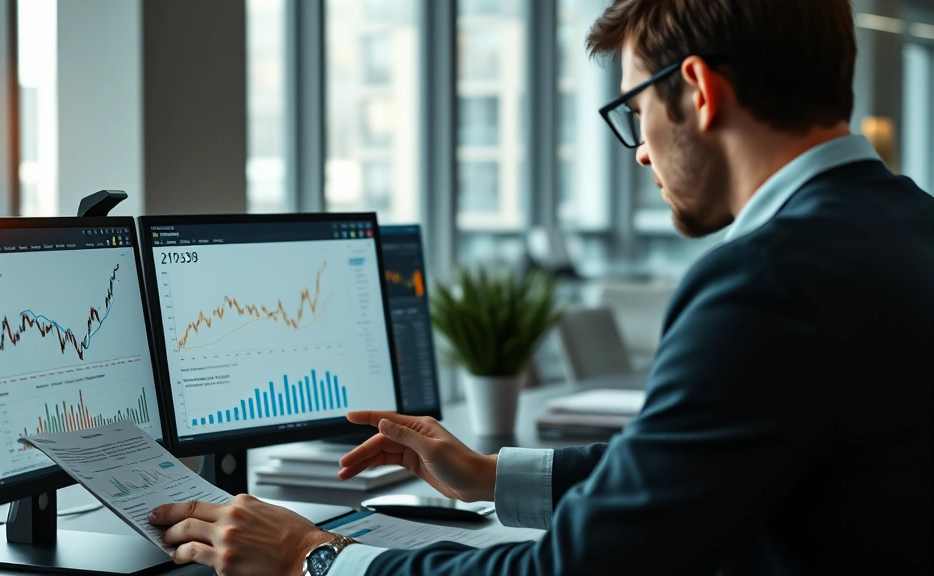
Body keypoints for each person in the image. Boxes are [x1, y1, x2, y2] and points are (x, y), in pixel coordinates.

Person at [148, 0, 934, 574]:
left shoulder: (766, 284)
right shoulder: (907, 228)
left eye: (634, 111)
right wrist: (491, 476)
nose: (638, 152)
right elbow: (696, 468)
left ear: (695, 89)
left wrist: (311, 558)